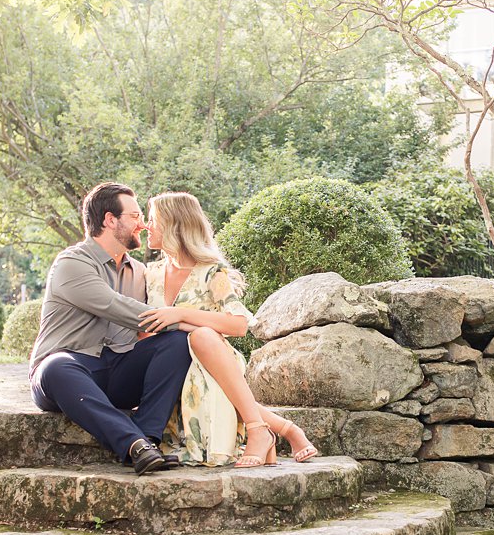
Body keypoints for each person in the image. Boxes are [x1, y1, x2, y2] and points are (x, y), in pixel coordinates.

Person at [138, 191, 318, 467]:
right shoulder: (149, 274)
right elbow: (146, 330)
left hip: (212, 356)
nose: (147, 226)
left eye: (153, 219)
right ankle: (283, 430)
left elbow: (238, 325)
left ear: (175, 225)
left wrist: (181, 316)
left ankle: (261, 432)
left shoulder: (211, 272)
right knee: (195, 349)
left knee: (202, 336)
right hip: (172, 364)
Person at [29, 183, 193, 474]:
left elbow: (157, 327)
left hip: (117, 370)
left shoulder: (141, 272)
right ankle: (135, 444)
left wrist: (193, 324)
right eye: (134, 216)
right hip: (70, 371)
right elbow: (118, 308)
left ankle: (148, 441)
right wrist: (193, 318)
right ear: (109, 220)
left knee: (177, 342)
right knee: (56, 366)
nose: (142, 225)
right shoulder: (72, 263)